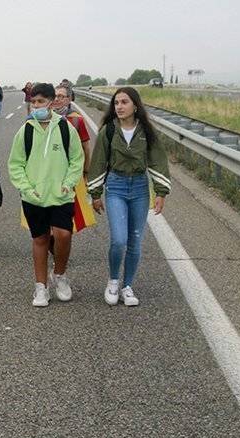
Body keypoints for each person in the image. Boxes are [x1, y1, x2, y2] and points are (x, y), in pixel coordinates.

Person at [87, 87, 170, 307]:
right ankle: (113, 281)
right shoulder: (108, 131)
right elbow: (98, 162)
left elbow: (158, 161)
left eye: (124, 102)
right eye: (116, 103)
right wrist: (95, 194)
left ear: (135, 105)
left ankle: (127, 286)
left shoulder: (147, 131)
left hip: (140, 188)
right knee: (119, 240)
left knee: (135, 240)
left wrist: (161, 192)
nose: (119, 106)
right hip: (116, 186)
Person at [7, 83, 84, 307]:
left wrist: (68, 185)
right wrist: (26, 188)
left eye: (40, 101)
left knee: (63, 235)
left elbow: (76, 159)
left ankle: (59, 274)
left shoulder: (65, 128)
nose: (36, 105)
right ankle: (41, 287)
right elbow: (15, 164)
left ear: (51, 102)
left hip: (61, 195)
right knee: (40, 239)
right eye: (33, 102)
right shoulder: (26, 130)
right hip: (34, 197)